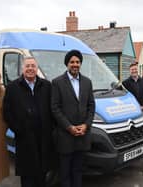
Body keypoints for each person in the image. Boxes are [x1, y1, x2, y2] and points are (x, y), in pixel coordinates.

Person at [3, 56, 55, 187]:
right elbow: (7, 112)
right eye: (27, 66)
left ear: (37, 68)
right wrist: (18, 129)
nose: (30, 68)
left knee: (42, 177)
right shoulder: (13, 87)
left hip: (43, 139)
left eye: (33, 66)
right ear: (22, 68)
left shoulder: (47, 86)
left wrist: (50, 129)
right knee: (27, 177)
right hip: (24, 139)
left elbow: (53, 109)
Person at [51, 49, 95, 187]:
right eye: (72, 62)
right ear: (67, 64)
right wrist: (69, 127)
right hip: (65, 137)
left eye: (77, 62)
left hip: (82, 136)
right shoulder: (57, 82)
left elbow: (91, 106)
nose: (75, 64)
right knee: (65, 173)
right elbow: (55, 108)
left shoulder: (87, 82)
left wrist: (86, 125)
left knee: (78, 171)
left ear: (80, 64)